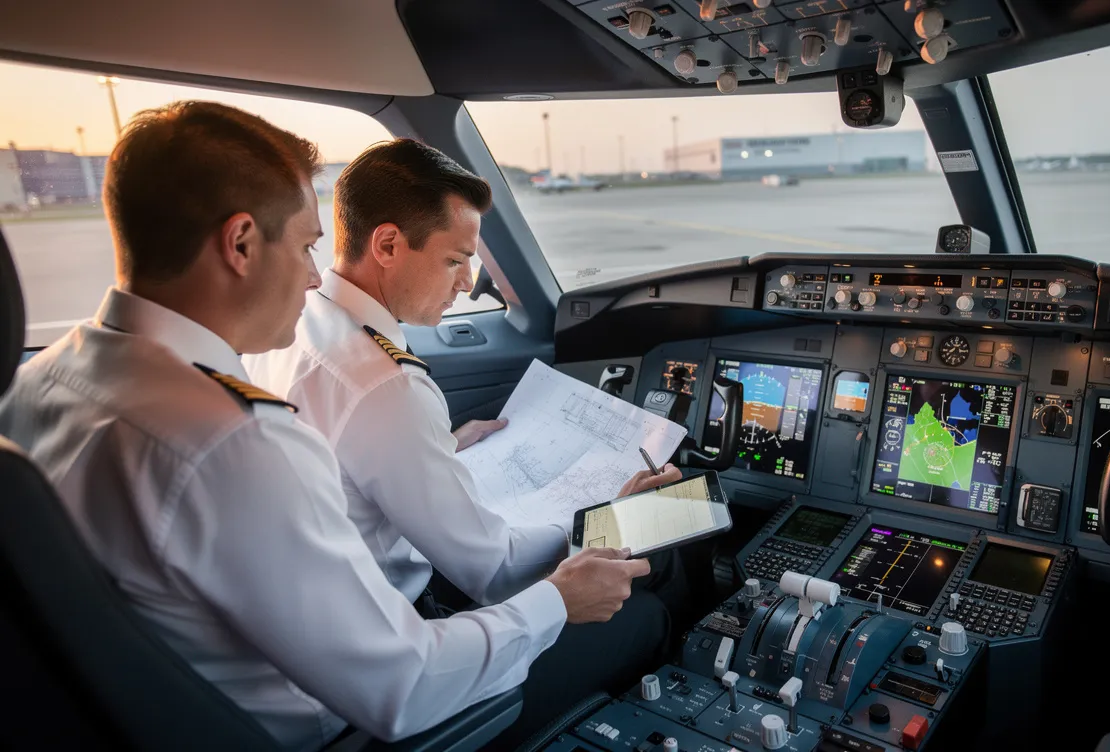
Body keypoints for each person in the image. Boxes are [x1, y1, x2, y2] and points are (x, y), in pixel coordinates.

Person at [0, 101, 651, 751]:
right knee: (647, 623)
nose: (315, 275)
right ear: (241, 244)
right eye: (306, 246)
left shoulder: (41, 382)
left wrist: (439, 447)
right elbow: (405, 683)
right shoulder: (236, 445)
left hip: (185, 694)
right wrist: (559, 599)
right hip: (330, 721)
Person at [243, 139, 681, 740]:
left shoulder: (299, 322)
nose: (467, 282)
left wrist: (439, 448)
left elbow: (350, 460)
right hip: (385, 651)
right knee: (650, 614)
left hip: (325, 621)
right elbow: (495, 572)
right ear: (387, 245)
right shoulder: (383, 384)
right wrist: (605, 514)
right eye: (455, 260)